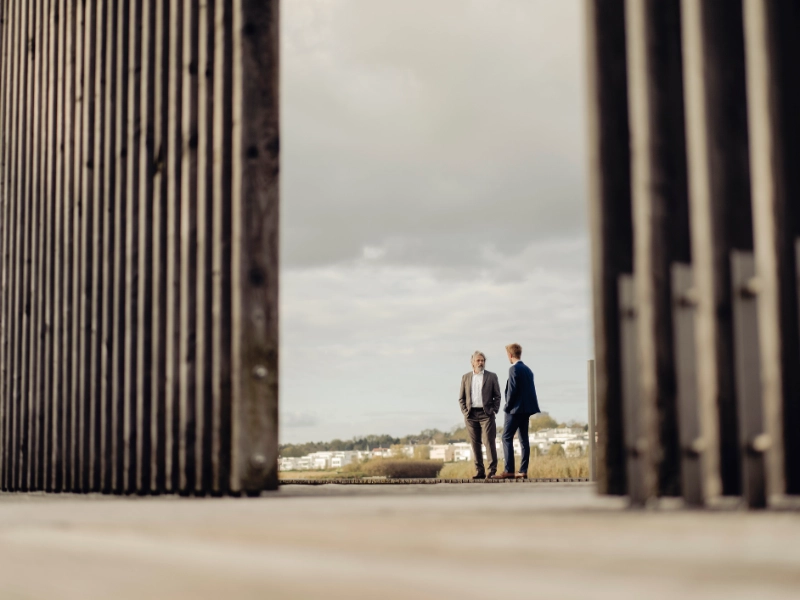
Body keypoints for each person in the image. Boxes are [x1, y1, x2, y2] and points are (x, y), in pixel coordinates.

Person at [492, 343, 540, 479]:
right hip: (526, 410)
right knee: (524, 439)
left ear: (510, 355)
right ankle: (523, 471)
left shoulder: (513, 369)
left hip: (514, 410)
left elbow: (512, 391)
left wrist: (507, 407)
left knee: (506, 437)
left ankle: (509, 471)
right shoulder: (528, 370)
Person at [458, 351, 501, 479]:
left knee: (489, 442)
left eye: (482, 360)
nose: (481, 362)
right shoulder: (465, 377)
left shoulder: (491, 376)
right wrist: (465, 412)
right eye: (478, 360)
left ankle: (492, 471)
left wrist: (494, 410)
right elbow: (461, 398)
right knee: (475, 443)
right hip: (471, 415)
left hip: (486, 414)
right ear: (472, 363)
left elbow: (497, 395)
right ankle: (479, 471)